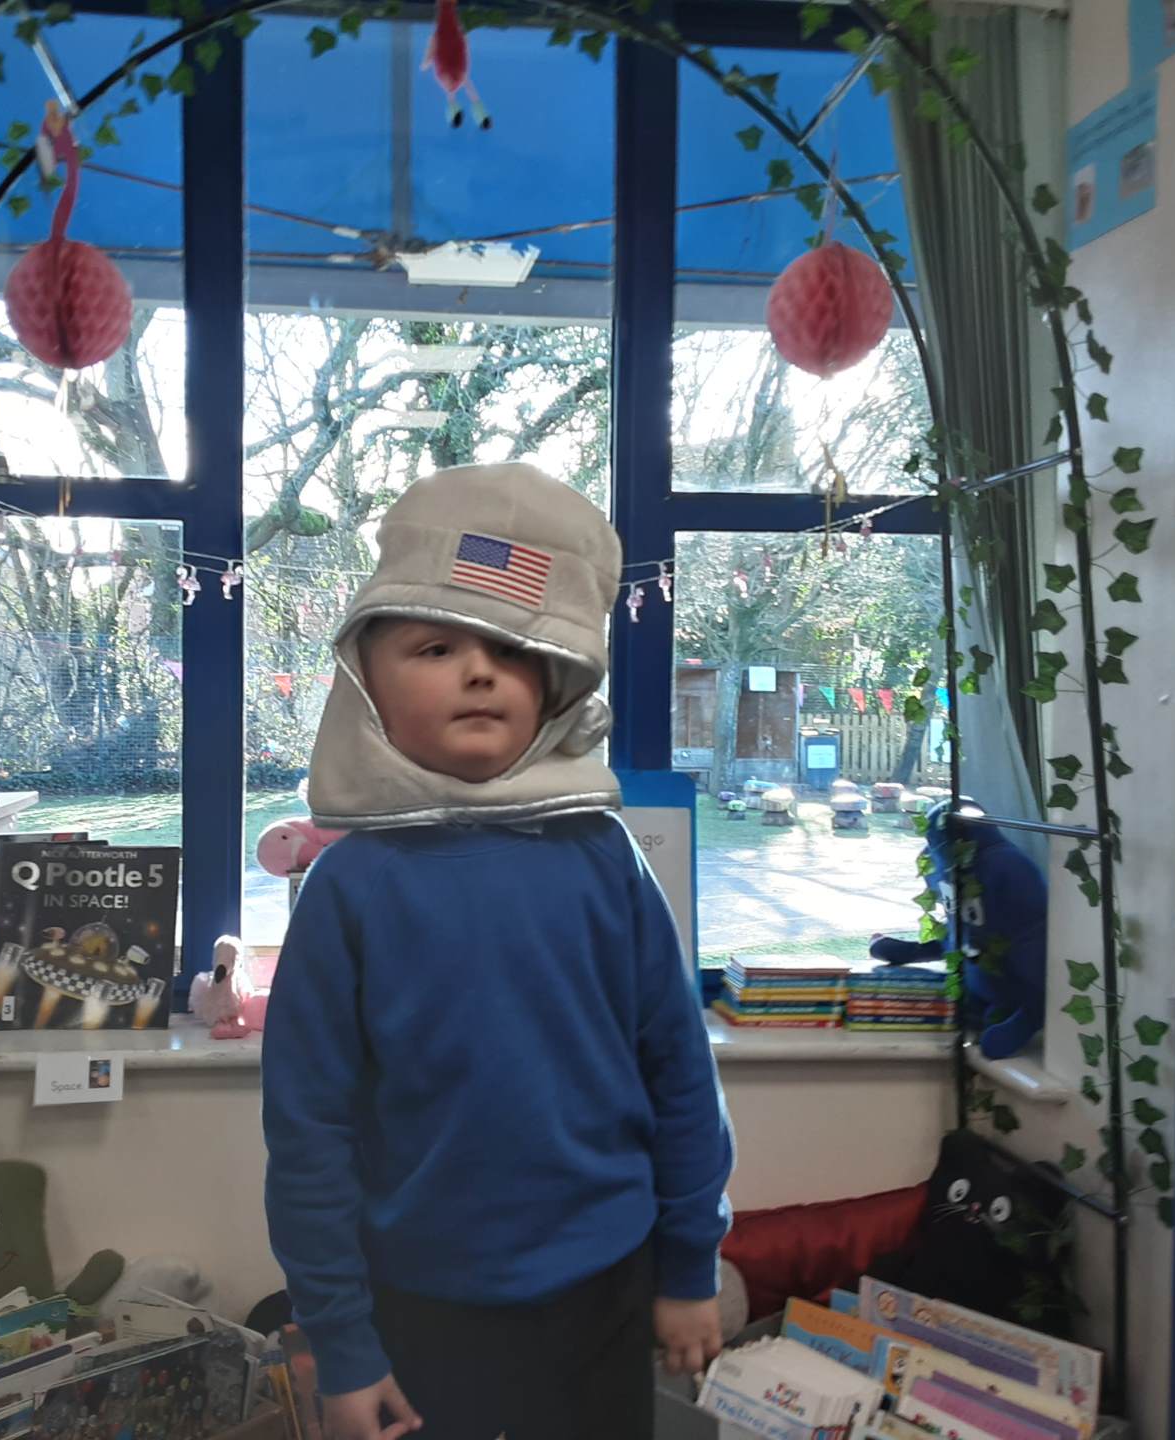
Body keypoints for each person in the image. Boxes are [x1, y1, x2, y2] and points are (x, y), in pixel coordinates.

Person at [262, 463, 735, 1440]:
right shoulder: (349, 888)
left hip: (608, 1283)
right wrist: (344, 1347)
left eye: (513, 650)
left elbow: (681, 1075)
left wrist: (691, 1266)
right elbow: (308, 1137)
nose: (479, 672)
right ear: (368, 680)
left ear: (556, 682)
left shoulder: (604, 859)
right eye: (436, 647)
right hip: (419, 1303)